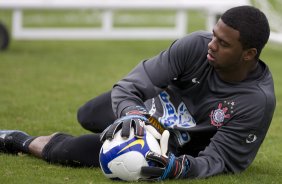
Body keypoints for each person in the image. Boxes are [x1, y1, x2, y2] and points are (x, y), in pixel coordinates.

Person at [0, 5, 276, 180]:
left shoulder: (255, 101)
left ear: (248, 54)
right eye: (214, 35)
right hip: (147, 112)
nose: (212, 45)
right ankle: (128, 123)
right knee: (89, 113)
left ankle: (16, 140)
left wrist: (179, 167)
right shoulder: (196, 46)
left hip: (173, 144)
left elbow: (221, 159)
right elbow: (130, 85)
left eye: (223, 43)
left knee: (75, 150)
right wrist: (134, 115)